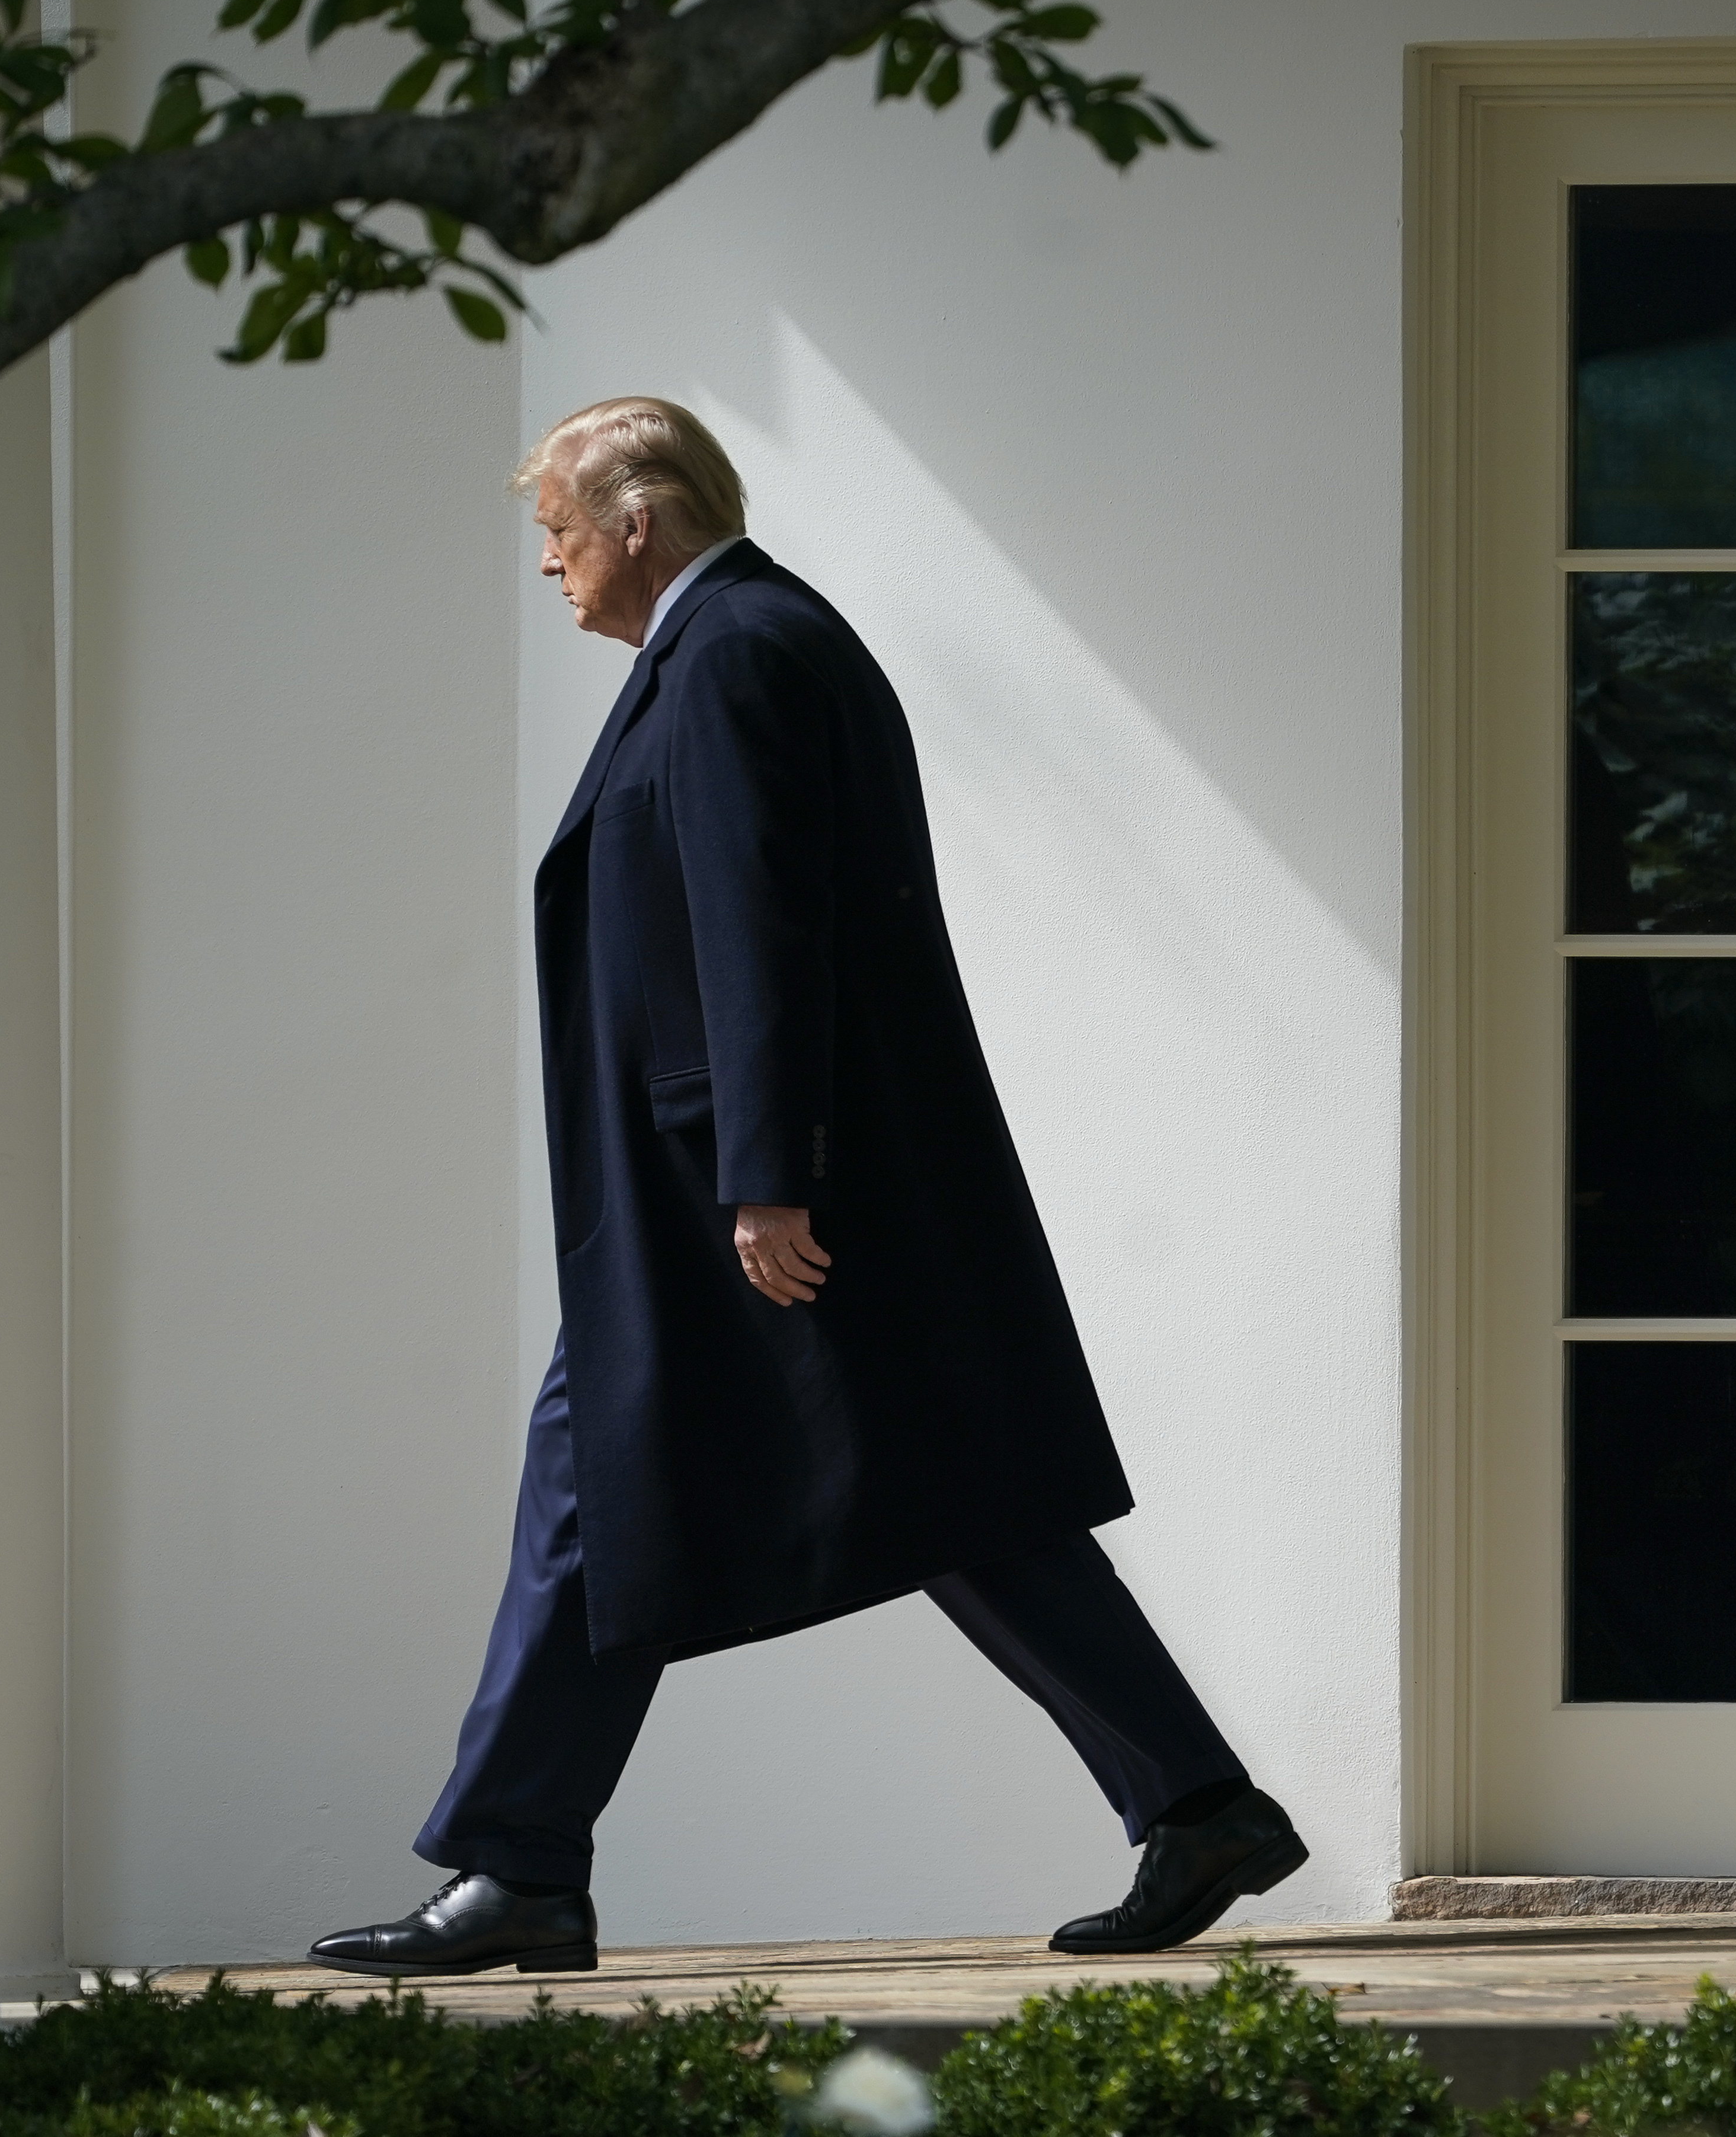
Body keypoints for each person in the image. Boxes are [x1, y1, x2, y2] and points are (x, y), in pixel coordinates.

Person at [309, 398, 1302, 1980]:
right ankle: (1197, 1801)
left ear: (639, 521)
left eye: (557, 531)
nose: (549, 564)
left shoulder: (735, 654)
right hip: (756, 1183)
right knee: (936, 1489)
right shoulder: (734, 646)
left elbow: (762, 922)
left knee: (635, 1480)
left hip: (747, 1196)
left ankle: (518, 1864)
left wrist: (767, 1177)